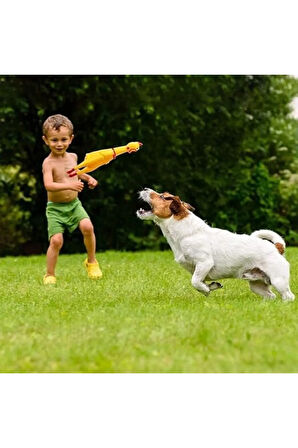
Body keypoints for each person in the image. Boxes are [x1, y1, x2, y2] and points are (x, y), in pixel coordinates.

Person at [42, 114, 102, 285]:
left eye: (63, 139)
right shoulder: (48, 163)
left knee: (88, 227)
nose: (59, 144)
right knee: (56, 240)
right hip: (55, 208)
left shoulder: (73, 157)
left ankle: (91, 262)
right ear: (46, 140)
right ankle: (49, 274)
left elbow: (75, 172)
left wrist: (88, 178)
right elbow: (49, 185)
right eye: (54, 140)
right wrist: (69, 186)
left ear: (71, 138)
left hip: (74, 205)